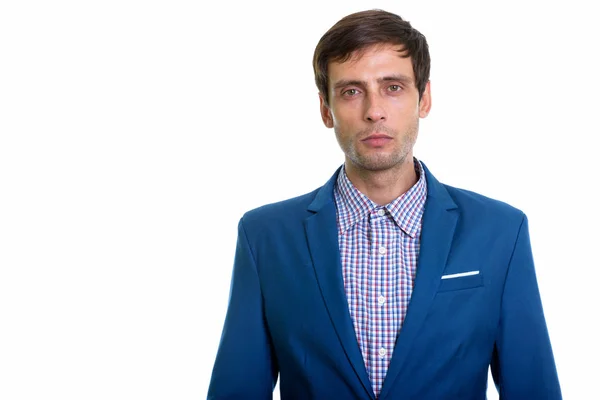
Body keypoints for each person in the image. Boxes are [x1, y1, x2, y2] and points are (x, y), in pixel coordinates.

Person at [207, 9, 561, 400]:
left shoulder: (500, 231)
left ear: (423, 98)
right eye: (351, 91)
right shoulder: (265, 236)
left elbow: (533, 388)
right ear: (326, 109)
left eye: (392, 87)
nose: (374, 111)